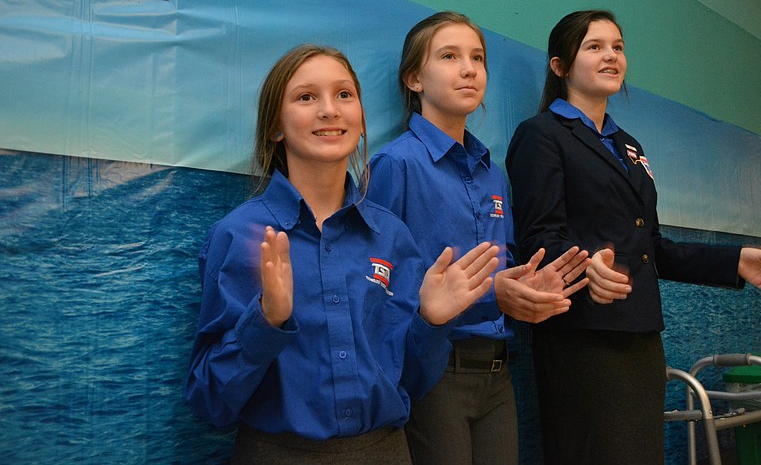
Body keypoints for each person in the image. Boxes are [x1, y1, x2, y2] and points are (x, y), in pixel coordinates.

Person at [185, 44, 516, 464]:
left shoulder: (392, 237)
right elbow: (210, 402)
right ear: (275, 127)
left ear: (360, 121)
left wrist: (431, 322)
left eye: (344, 94)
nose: (330, 110)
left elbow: (413, 381)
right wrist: (266, 321)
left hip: (385, 452)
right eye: (306, 97)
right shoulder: (239, 235)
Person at [506, 9, 761, 464]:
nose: (611, 56)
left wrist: (734, 260)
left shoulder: (629, 146)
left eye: (617, 47)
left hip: (641, 335)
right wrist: (588, 265)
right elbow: (539, 238)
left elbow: (654, 246)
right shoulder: (541, 135)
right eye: (594, 47)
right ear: (560, 66)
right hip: (583, 336)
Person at [367, 12, 591, 465]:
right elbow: (376, 284)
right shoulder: (396, 164)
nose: (469, 69)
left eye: (478, 58)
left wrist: (530, 286)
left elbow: (506, 265)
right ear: (414, 79)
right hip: (434, 370)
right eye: (450, 57)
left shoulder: (493, 172)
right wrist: (494, 293)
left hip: (497, 371)